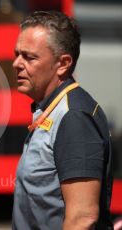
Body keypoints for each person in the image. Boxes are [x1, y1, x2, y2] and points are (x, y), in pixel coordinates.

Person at [12, 11, 113, 229]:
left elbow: (82, 218)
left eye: (29, 57)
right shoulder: (52, 108)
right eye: (17, 54)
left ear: (63, 63)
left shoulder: (74, 116)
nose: (16, 63)